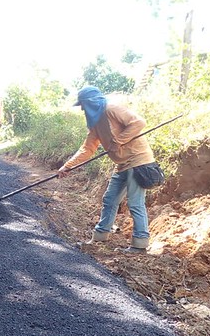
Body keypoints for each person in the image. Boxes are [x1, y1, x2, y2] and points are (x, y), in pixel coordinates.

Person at [58, 85, 152, 253]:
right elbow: (87, 148)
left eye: (83, 105)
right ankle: (100, 236)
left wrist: (119, 141)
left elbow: (139, 122)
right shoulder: (95, 123)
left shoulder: (111, 109)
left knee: (135, 202)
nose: (82, 109)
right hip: (122, 163)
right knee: (109, 199)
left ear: (91, 102)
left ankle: (140, 243)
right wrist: (67, 166)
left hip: (138, 160)